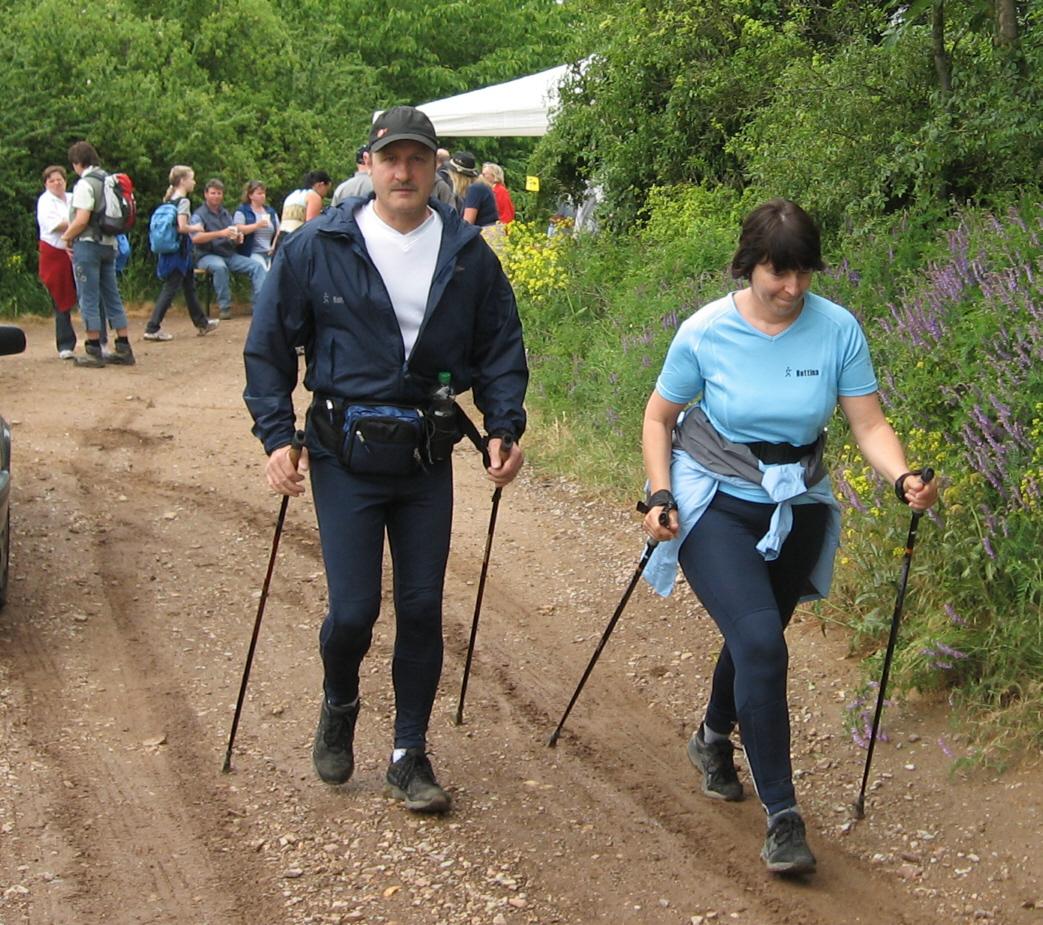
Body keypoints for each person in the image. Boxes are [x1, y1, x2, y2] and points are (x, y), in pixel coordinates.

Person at [639, 199, 939, 875]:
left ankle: (711, 737)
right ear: (749, 265)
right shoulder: (705, 331)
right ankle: (782, 815)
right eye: (779, 271)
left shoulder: (837, 329)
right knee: (760, 643)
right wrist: (659, 493)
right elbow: (658, 418)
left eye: (803, 271)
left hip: (796, 501)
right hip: (714, 499)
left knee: (756, 637)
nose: (792, 287)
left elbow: (867, 423)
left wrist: (901, 477)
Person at [244, 105, 527, 814]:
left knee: (423, 606)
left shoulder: (468, 254)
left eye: (417, 159)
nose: (404, 171)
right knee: (353, 611)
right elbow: (269, 347)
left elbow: (500, 348)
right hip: (343, 452)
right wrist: (277, 436)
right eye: (391, 158)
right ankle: (340, 700)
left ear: (436, 169)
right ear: (368, 165)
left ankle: (409, 753)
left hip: (427, 453)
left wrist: (503, 426)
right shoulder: (317, 245)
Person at [60, 141, 135, 368]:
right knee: (112, 295)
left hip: (88, 246)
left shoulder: (85, 184)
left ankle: (93, 349)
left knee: (89, 296)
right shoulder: (109, 180)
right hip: (109, 245)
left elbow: (82, 219)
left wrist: (66, 237)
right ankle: (123, 346)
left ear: (77, 162)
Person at [143, 166, 221, 342]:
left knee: (189, 286)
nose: (194, 182)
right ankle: (152, 327)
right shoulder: (183, 202)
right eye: (191, 179)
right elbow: (182, 227)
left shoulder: (169, 200)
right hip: (179, 252)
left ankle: (202, 323)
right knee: (171, 287)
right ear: (183, 181)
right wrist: (196, 227)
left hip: (173, 250)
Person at [190, 178, 267, 321]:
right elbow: (196, 238)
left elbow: (232, 233)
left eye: (219, 193)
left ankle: (260, 306)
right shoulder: (199, 215)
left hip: (229, 253)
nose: (216, 196)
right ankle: (225, 308)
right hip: (206, 254)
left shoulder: (225, 213)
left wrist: (237, 238)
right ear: (206, 194)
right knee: (220, 267)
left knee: (257, 266)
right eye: (213, 193)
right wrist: (220, 233)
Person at [36, 165, 78, 360]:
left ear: (65, 181)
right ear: (46, 184)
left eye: (59, 179)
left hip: (76, 250)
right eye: (51, 180)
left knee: (86, 295)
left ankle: (97, 341)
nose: (56, 183)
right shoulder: (45, 201)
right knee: (60, 298)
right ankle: (65, 344)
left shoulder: (72, 198)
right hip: (55, 253)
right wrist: (80, 222)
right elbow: (55, 225)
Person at [233, 180, 279, 271]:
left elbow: (278, 230)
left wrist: (274, 246)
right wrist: (257, 225)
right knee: (262, 270)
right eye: (259, 193)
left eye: (264, 193)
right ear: (250, 196)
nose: (263, 196)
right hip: (252, 252)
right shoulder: (243, 211)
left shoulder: (270, 211)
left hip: (270, 251)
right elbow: (238, 229)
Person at [446, 152, 498, 229]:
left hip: (484, 234)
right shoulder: (479, 185)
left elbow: (467, 224)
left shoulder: (475, 189)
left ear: (457, 175)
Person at [278, 170, 332, 239]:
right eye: (326, 189)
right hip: (296, 237)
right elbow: (311, 226)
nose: (326, 193)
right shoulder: (314, 196)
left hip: (282, 237)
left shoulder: (292, 196)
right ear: (320, 185)